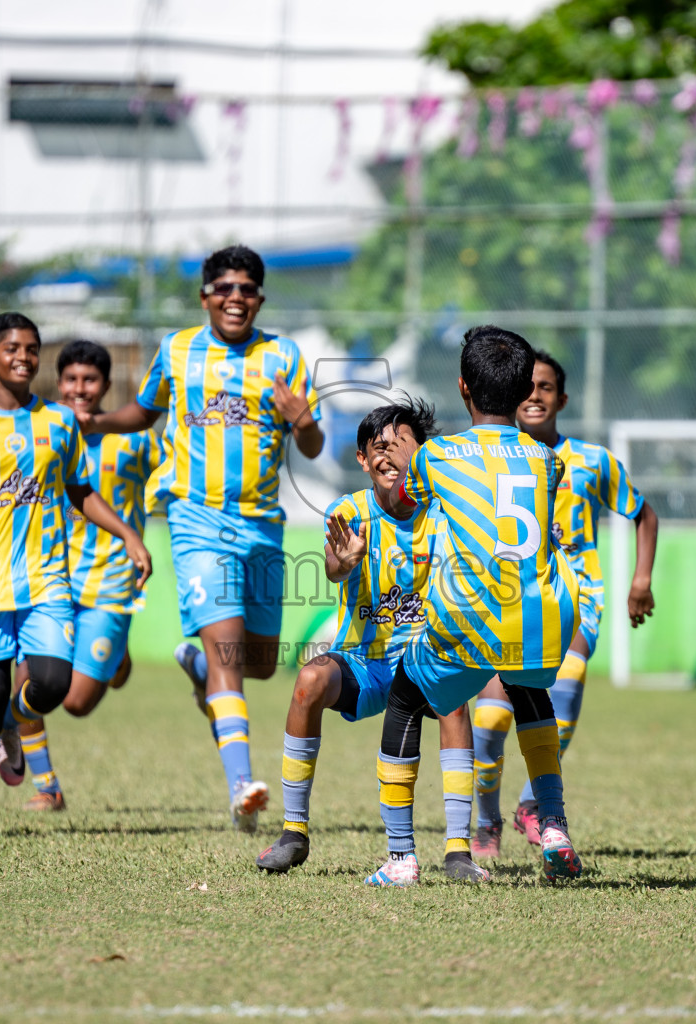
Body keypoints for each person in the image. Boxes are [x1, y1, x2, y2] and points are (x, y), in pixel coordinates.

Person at [77, 245, 322, 831]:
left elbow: (311, 446)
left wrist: (303, 419)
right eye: (225, 289)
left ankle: (192, 663)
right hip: (196, 519)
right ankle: (242, 786)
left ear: (260, 299)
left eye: (248, 290)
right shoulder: (179, 350)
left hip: (263, 525)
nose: (236, 299)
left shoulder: (284, 356)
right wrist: (97, 421)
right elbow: (143, 412)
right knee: (228, 661)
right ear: (205, 295)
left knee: (257, 663)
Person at [366, 325, 582, 887]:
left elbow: (402, 504)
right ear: (523, 394)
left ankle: (400, 859)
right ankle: (553, 825)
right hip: (542, 612)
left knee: (406, 703)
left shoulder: (436, 456)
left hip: (468, 610)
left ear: (463, 387)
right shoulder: (545, 458)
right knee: (531, 696)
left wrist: (405, 461)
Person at [0, 313, 151, 836]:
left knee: (52, 683)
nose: (23, 356)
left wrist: (129, 535)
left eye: (31, 348)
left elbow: (81, 492)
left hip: (48, 578)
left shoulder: (59, 422)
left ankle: (11, 721)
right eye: (11, 349)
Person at [254, 400, 488, 883]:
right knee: (309, 681)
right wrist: (345, 561)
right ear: (362, 459)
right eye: (377, 447)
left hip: (426, 659)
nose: (388, 456)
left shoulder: (446, 514)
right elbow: (334, 569)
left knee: (455, 704)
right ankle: (294, 832)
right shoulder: (348, 513)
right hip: (368, 662)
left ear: (421, 456)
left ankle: (458, 851)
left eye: (401, 446)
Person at [467, 351, 659, 857]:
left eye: (546, 387)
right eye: (527, 386)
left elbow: (643, 513)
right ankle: (486, 820)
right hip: (503, 599)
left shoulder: (592, 461)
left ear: (562, 398)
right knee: (487, 724)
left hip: (574, 599)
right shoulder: (488, 458)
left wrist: (641, 580)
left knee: (565, 694)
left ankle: (533, 804)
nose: (535, 395)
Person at [0, 341, 163, 811]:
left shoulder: (136, 439)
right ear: (57, 382)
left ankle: (115, 660)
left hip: (111, 581)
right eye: (70, 379)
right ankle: (49, 788)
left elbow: (173, 479)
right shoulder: (41, 432)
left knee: (77, 703)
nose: (79, 389)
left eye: (90, 380)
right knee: (30, 678)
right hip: (47, 578)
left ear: (105, 386)